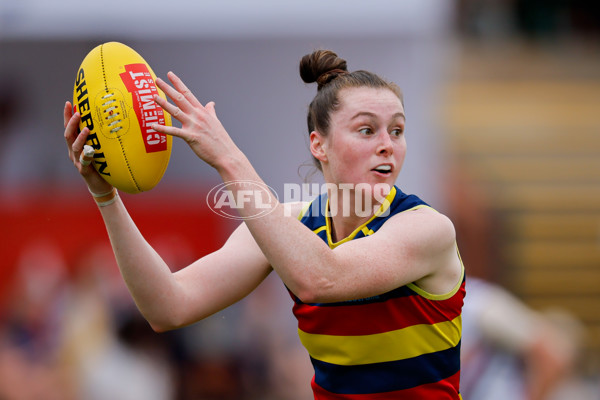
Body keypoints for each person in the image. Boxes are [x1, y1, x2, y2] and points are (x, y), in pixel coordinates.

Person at [63, 49, 465, 399]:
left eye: (397, 130)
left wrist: (227, 157)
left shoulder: (426, 229)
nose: (387, 144)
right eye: (366, 129)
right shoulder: (289, 225)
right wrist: (106, 196)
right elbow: (168, 306)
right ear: (318, 144)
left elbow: (321, 278)